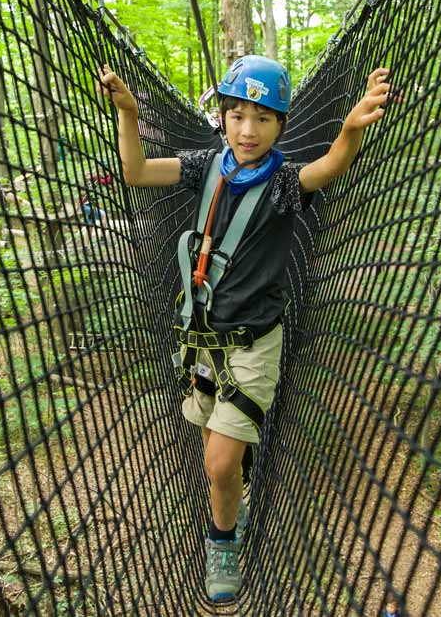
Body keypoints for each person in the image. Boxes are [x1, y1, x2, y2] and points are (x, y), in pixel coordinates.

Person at [99, 55, 392, 602]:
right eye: (236, 116)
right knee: (220, 460)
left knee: (218, 463)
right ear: (223, 119)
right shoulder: (203, 166)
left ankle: (223, 541)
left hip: (253, 345)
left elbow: (327, 167)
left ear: (281, 125)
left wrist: (350, 128)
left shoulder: (282, 184)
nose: (247, 130)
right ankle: (238, 490)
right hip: (201, 344)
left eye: (262, 118)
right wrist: (129, 116)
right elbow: (137, 173)